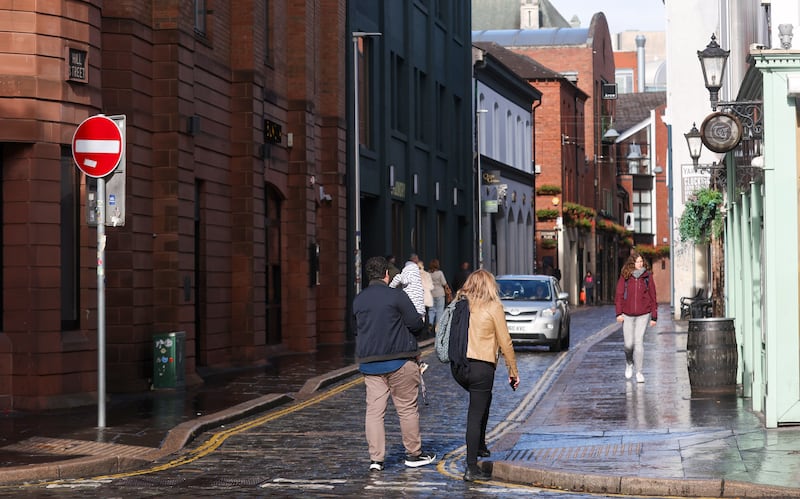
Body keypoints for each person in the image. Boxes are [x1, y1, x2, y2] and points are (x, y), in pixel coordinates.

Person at [353, 256, 436, 472]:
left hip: (371, 363)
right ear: (387, 274)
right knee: (407, 409)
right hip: (400, 360)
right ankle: (413, 454)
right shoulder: (396, 296)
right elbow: (416, 325)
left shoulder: (359, 300)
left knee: (374, 412)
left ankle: (376, 460)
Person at [449, 269, 519, 482]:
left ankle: (480, 445)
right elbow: (505, 340)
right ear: (490, 285)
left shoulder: (459, 304)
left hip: (459, 367)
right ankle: (471, 467)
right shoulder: (494, 306)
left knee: (482, 401)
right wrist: (513, 370)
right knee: (475, 412)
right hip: (482, 367)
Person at [614, 250, 658, 384]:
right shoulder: (625, 276)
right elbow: (619, 295)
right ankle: (629, 363)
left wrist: (654, 316)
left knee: (638, 342)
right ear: (632, 263)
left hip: (643, 314)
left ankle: (639, 372)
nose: (640, 264)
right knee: (628, 344)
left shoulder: (647, 277)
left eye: (641, 262)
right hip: (627, 315)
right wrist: (618, 313)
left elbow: (653, 296)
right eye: (637, 262)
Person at [389, 253, 426, 318]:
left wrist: (390, 288)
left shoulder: (408, 270)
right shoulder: (415, 271)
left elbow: (399, 277)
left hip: (411, 306)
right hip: (420, 308)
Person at [427, 259, 450, 330]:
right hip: (440, 293)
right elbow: (444, 283)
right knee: (439, 310)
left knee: (431, 310)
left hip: (431, 293)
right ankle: (437, 326)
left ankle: (430, 322)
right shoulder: (440, 273)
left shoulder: (428, 273)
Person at [418, 260, 434, 327]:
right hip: (427, 296)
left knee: (419, 314)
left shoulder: (415, 274)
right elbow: (431, 287)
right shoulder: (427, 274)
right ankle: (427, 329)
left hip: (419, 296)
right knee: (426, 313)